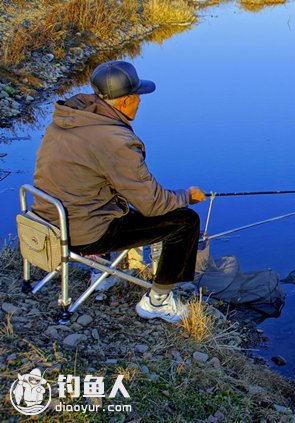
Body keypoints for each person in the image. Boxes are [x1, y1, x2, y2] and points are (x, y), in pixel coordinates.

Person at [32, 60, 205, 323]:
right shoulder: (116, 140)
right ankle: (157, 302)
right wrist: (187, 195)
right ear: (126, 101)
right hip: (82, 232)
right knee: (184, 221)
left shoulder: (69, 119)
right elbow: (153, 205)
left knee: (113, 196)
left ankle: (101, 271)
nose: (140, 102)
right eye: (138, 97)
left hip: (47, 219)